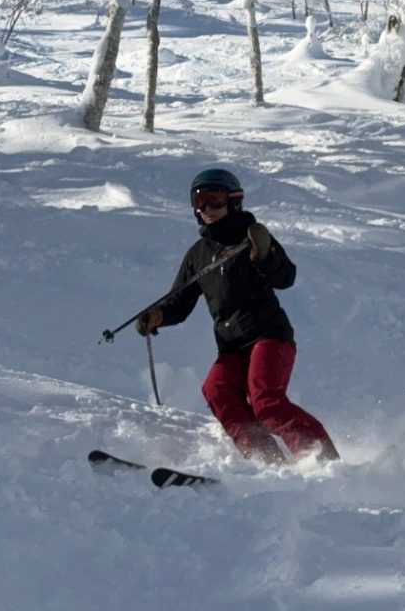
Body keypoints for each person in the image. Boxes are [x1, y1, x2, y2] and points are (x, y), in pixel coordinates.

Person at [137, 167, 339, 465]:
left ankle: (323, 461)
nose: (207, 208)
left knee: (266, 403)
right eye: (199, 201)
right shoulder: (198, 254)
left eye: (215, 200)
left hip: (269, 335)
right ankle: (265, 458)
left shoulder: (251, 237)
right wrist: (157, 316)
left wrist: (264, 255)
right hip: (231, 345)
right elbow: (179, 302)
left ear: (233, 201)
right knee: (217, 389)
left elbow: (286, 277)